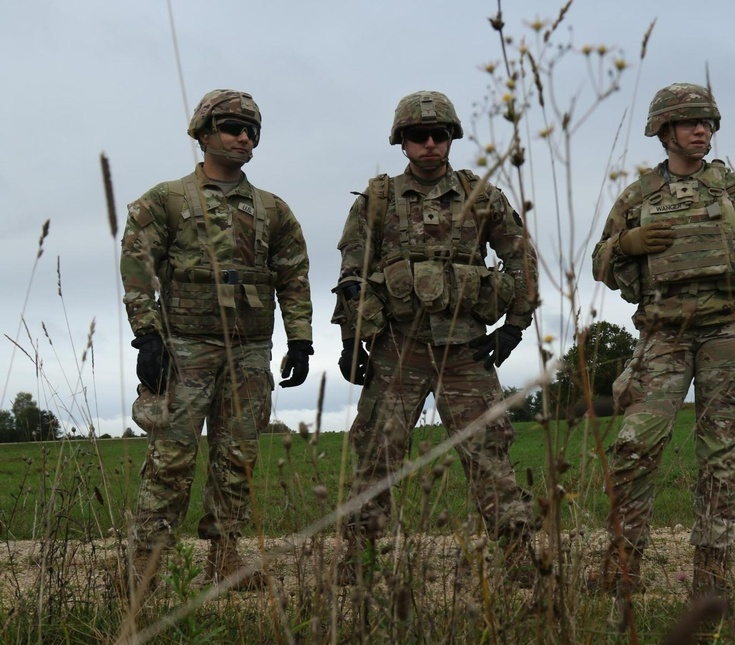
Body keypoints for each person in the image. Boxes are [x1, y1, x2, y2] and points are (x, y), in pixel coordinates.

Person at [591, 83, 735, 599]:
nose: (701, 130)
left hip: (727, 331)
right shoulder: (639, 197)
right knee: (634, 446)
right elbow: (601, 262)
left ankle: (711, 575)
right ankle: (622, 567)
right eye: (690, 123)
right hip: (663, 335)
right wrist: (626, 242)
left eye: (707, 122)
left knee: (720, 455)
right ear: (664, 132)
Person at [332, 90, 538, 585]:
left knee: (488, 452)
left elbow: (521, 259)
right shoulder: (378, 200)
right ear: (402, 142)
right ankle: (358, 561)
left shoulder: (482, 195)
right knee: (376, 454)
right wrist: (352, 339)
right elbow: (352, 274)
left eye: (438, 135)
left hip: (466, 349)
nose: (429, 144)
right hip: (397, 348)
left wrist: (513, 327)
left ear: (451, 139)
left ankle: (517, 559)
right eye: (417, 136)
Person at [120, 89, 313, 593]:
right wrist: (147, 336)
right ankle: (142, 574)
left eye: (252, 130)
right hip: (183, 348)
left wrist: (300, 340)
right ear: (203, 132)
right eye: (231, 126)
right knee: (171, 462)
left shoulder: (273, 210)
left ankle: (226, 565)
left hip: (249, 353)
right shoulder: (166, 200)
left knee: (237, 462)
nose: (243, 136)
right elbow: (137, 267)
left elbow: (293, 277)